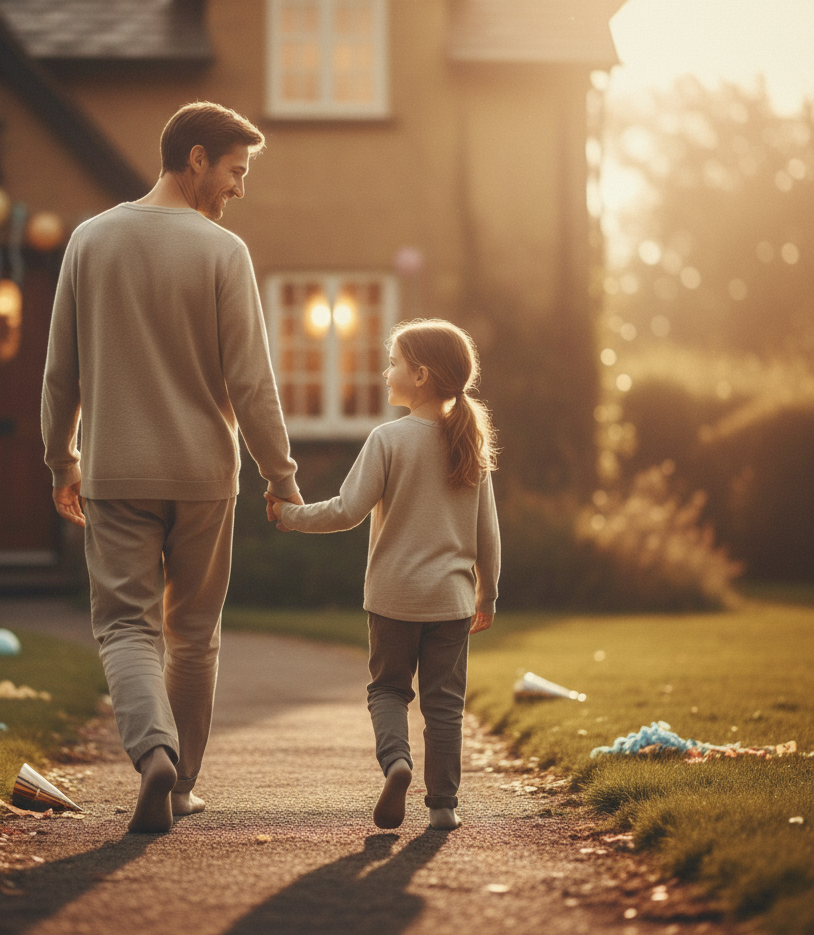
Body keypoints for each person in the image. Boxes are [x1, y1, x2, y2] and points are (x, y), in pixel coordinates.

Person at [42, 101, 302, 833]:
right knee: (193, 633)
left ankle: (151, 751)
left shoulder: (90, 241)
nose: (239, 189)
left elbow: (62, 372)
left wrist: (61, 457)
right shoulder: (223, 254)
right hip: (204, 477)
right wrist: (281, 476)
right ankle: (181, 783)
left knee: (126, 626)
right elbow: (252, 383)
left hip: (116, 474)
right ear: (195, 159)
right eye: (235, 171)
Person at [268, 319, 499, 831]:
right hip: (452, 601)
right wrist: (488, 595)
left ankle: (397, 764)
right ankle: (442, 805)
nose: (384, 371)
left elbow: (347, 510)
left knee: (389, 690)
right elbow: (488, 534)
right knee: (445, 704)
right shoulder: (470, 443)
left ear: (419, 375)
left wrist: (288, 515)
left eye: (393, 362)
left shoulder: (388, 439)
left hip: (393, 595)